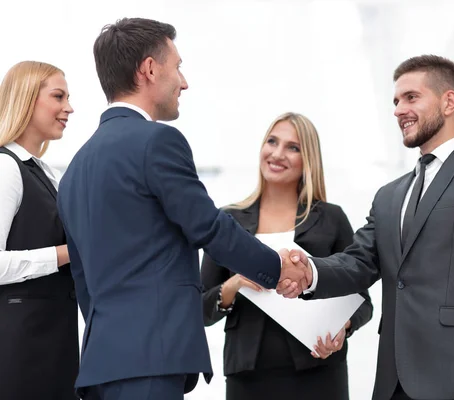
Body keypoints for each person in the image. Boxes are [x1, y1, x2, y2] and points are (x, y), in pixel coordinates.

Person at [57, 18, 309, 400]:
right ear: (149, 69)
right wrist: (277, 270)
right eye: (178, 67)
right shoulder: (157, 142)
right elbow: (208, 228)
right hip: (152, 360)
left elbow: (84, 280)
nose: (184, 81)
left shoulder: (75, 169)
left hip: (101, 364)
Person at [282, 55, 454, 400]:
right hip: (393, 380)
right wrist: (308, 272)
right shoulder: (389, 195)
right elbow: (359, 261)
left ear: (449, 102)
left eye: (411, 97)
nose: (398, 110)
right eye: (396, 101)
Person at [201, 112, 373, 400]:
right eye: (272, 141)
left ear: (308, 160)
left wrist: (343, 328)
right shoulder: (228, 222)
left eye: (293, 147)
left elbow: (362, 302)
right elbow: (199, 308)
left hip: (319, 372)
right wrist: (235, 284)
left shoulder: (330, 218)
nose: (278, 153)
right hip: (248, 377)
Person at [0, 61, 77, 400]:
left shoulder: (45, 172)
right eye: (58, 97)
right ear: (27, 99)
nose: (68, 108)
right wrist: (66, 254)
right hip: (21, 346)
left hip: (53, 337)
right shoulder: (6, 168)